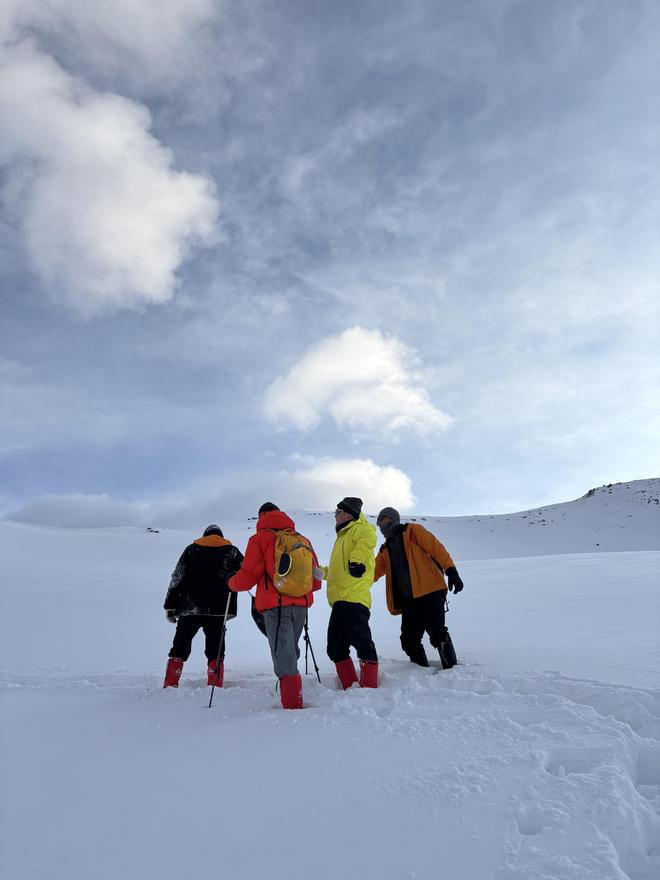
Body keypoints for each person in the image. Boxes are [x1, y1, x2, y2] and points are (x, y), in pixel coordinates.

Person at [227, 503, 321, 710]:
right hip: (301, 605)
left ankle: (292, 704)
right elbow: (316, 579)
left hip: (275, 605)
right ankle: (291, 687)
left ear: (261, 517)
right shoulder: (302, 539)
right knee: (288, 648)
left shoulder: (260, 539)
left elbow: (247, 577)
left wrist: (231, 583)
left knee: (282, 652)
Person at [374, 507, 463, 669]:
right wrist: (352, 584)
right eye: (378, 521)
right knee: (409, 640)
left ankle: (451, 670)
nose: (380, 524)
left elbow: (436, 548)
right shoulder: (385, 549)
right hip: (409, 600)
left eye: (383, 519)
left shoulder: (413, 530)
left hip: (430, 591)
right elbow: (372, 572)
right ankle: (420, 673)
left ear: (393, 519)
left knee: (437, 633)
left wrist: (451, 571)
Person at [163, 524, 243, 689]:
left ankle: (170, 683)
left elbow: (177, 577)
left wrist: (170, 606)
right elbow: (245, 572)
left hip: (189, 608)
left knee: (180, 646)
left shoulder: (191, 550)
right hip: (219, 610)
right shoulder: (231, 551)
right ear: (221, 536)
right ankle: (215, 684)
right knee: (215, 648)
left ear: (204, 535)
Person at [322, 496, 378, 689]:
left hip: (354, 597)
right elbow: (338, 570)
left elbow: (369, 539)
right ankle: (350, 687)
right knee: (335, 648)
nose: (335, 516)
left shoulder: (361, 529)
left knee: (362, 642)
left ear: (348, 513)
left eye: (337, 512)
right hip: (339, 600)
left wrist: (357, 561)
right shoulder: (342, 539)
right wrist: (321, 573)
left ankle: (369, 688)